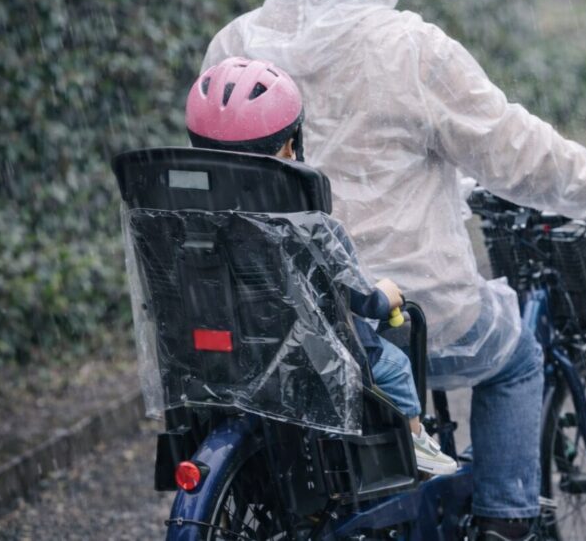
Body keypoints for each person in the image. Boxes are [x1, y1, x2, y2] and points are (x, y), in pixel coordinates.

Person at [201, 0, 586, 537]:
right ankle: (506, 519)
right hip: (400, 310)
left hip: (276, 319)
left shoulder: (234, 42)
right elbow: (513, 147)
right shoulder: (408, 47)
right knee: (518, 353)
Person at [184, 55, 458, 476]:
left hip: (221, 360)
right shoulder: (309, 221)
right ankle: (412, 440)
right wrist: (384, 297)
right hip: (308, 361)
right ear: (291, 144)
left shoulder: (186, 220)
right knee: (395, 364)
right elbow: (356, 294)